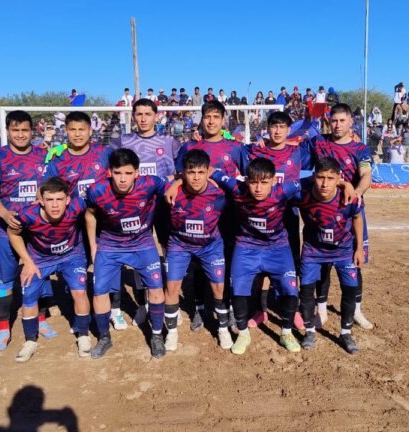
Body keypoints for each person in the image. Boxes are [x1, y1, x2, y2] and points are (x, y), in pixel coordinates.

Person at [209, 158, 303, 354]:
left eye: (264, 182)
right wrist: (176, 183)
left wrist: (344, 184)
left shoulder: (284, 190)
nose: (258, 188)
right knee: (238, 290)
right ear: (246, 181)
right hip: (246, 247)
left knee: (290, 289)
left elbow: (314, 182)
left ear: (274, 180)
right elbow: (210, 170)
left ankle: (286, 332)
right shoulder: (237, 188)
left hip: (278, 248)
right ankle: (243, 334)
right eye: (253, 182)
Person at [0, 110, 55, 352]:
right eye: (15, 130)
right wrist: (5, 214)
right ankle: (4, 328)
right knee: (4, 280)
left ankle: (41, 320)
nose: (21, 135)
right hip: (6, 229)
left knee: (40, 274)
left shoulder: (43, 156)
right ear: (8, 131)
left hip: (36, 229)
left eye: (25, 130)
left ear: (32, 131)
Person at [84, 149, 170, 359]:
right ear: (109, 172)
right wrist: (94, 247)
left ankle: (157, 334)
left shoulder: (150, 183)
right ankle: (104, 337)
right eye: (118, 173)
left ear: (137, 173)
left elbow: (171, 185)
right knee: (99, 292)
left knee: (157, 289)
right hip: (110, 245)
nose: (122, 179)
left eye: (128, 173)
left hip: (142, 244)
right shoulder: (97, 191)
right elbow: (90, 214)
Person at [108, 98, 182, 329]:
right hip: (135, 209)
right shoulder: (124, 141)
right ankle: (143, 304)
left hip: (163, 206)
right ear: (133, 117)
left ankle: (172, 303)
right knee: (139, 254)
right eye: (138, 114)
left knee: (170, 253)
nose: (143, 118)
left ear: (156, 116)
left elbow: (182, 172)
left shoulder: (169, 141)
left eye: (147, 114)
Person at [301, 103, 373, 330]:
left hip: (348, 212)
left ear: (351, 122)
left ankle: (356, 310)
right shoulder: (317, 142)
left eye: (342, 120)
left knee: (354, 260)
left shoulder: (360, 148)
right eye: (334, 120)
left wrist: (357, 193)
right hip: (322, 213)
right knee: (322, 263)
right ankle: (320, 310)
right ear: (328, 122)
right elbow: (291, 153)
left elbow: (366, 174)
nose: (338, 125)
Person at [7, 177, 92, 362]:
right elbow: (12, 233)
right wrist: (27, 262)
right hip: (39, 259)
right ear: (41, 201)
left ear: (68, 200)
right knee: (28, 295)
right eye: (50, 200)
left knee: (80, 292)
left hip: (72, 256)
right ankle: (30, 341)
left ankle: (84, 335)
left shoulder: (77, 206)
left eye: (59, 199)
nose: (55, 205)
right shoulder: (27, 214)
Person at [239, 111, 310, 329]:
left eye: (282, 127)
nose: (277, 131)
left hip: (287, 216)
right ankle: (261, 311)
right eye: (273, 126)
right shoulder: (254, 150)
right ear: (267, 128)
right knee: (261, 266)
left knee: (292, 263)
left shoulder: (297, 152)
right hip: (260, 218)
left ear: (289, 130)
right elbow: (232, 152)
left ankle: (293, 308)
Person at [162, 150, 231, 351]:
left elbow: (243, 185)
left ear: (208, 172)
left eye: (201, 172)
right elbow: (150, 180)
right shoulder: (171, 190)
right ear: (183, 173)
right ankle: (172, 334)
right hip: (180, 245)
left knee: (218, 288)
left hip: (211, 246)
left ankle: (223, 329)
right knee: (172, 287)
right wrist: (175, 183)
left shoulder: (219, 192)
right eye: (191, 172)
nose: (196, 177)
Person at [295, 157, 364, 353]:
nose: (325, 183)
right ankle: (309, 331)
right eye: (320, 177)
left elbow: (358, 218)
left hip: (344, 252)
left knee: (350, 290)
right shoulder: (302, 195)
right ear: (313, 177)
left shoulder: (349, 197)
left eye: (330, 178)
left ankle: (346, 333)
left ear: (338, 178)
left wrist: (359, 248)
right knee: (306, 291)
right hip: (313, 251)